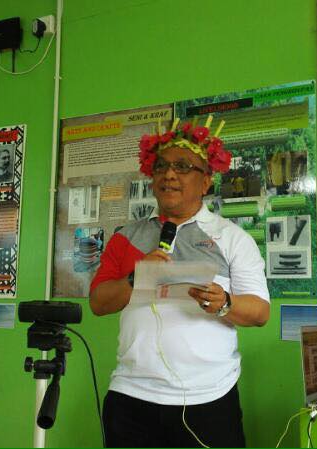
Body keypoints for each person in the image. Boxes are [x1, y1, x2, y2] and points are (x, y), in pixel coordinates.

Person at [90, 116, 270, 448]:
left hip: (209, 396)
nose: (169, 175)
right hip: (131, 396)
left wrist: (225, 304)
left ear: (206, 182)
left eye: (183, 166)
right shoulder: (125, 237)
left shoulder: (232, 238)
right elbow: (99, 303)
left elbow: (259, 312)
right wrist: (136, 277)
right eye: (161, 167)